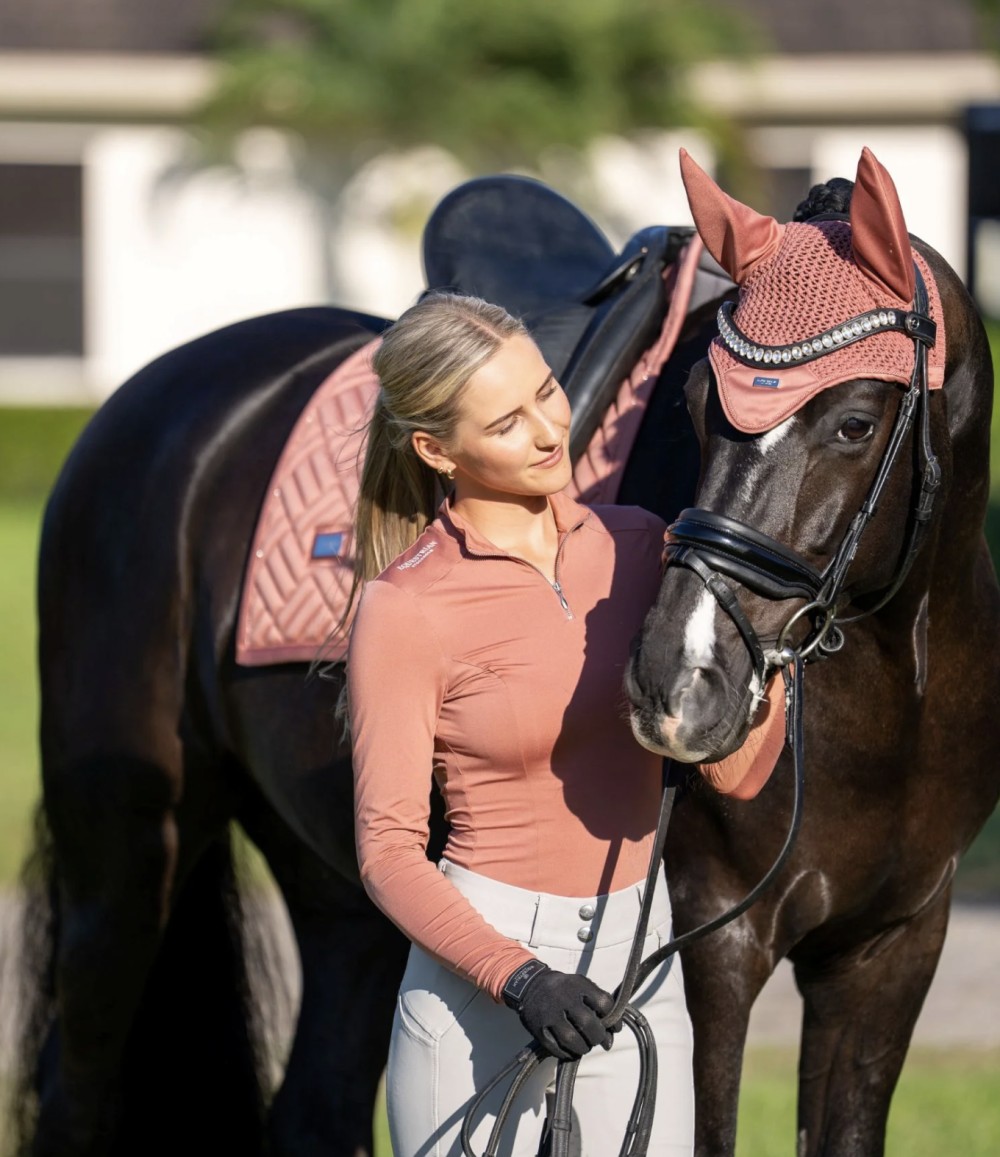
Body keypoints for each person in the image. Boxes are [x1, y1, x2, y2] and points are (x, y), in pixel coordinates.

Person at [345, 292, 778, 1156]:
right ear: (437, 450)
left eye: (547, 392)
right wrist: (521, 977)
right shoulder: (405, 606)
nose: (549, 430)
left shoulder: (641, 545)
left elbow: (738, 773)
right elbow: (387, 851)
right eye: (506, 421)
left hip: (638, 959)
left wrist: (773, 654)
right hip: (483, 981)